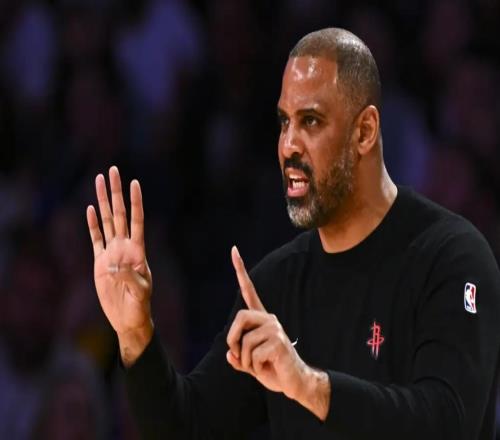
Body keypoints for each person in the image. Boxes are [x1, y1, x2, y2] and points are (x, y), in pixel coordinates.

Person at [86, 28, 500, 439]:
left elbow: (449, 421)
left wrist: (307, 385)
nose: (288, 145)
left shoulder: (452, 257)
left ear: (365, 131)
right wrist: (135, 333)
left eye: (311, 121)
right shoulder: (275, 284)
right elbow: (188, 427)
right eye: (284, 122)